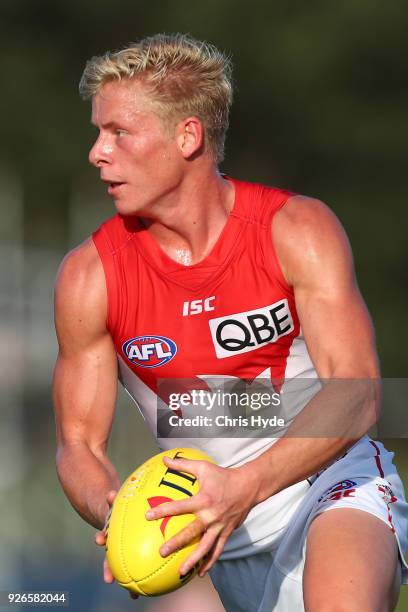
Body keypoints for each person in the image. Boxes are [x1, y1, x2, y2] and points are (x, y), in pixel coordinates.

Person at [53, 33, 408, 611]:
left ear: (187, 136)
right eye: (98, 132)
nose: (97, 152)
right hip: (211, 533)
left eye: (118, 132)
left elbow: (359, 392)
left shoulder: (296, 229)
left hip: (329, 485)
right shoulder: (89, 276)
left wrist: (245, 487)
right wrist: (116, 509)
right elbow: (77, 444)